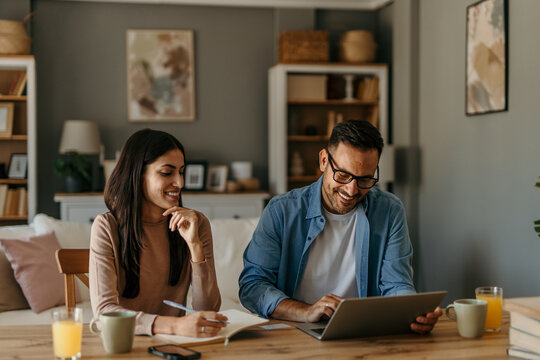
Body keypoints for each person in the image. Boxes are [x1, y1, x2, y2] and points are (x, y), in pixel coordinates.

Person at [239, 120, 441, 334]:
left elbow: (397, 284)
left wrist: (413, 311)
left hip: (364, 332)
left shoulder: (390, 211)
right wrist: (306, 312)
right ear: (324, 160)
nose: (351, 190)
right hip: (293, 330)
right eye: (343, 175)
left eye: (365, 179)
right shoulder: (281, 211)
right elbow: (253, 286)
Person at [90, 129, 227, 337]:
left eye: (181, 171)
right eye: (167, 172)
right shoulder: (107, 227)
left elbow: (207, 310)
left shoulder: (196, 224)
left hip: (177, 345)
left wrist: (195, 247)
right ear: (137, 173)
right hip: (127, 343)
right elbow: (104, 313)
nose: (180, 183)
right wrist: (175, 325)